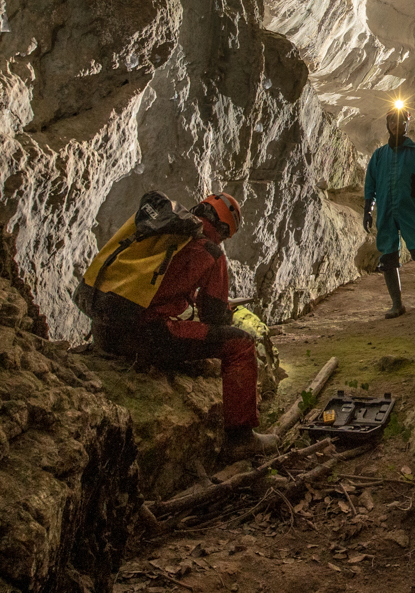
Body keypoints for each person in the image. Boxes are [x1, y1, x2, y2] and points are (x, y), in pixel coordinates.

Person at [80, 191, 278, 462]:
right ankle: (241, 439)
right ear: (221, 228)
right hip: (144, 337)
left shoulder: (160, 231)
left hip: (104, 331)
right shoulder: (209, 250)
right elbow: (214, 317)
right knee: (240, 345)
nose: (221, 240)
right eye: (224, 235)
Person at [363, 100, 415, 318]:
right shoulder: (379, 156)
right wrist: (368, 209)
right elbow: (370, 184)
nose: (397, 125)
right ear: (388, 124)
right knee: (388, 256)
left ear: (407, 124)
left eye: (401, 121)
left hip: (408, 210)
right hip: (386, 213)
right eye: (393, 121)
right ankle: (397, 304)